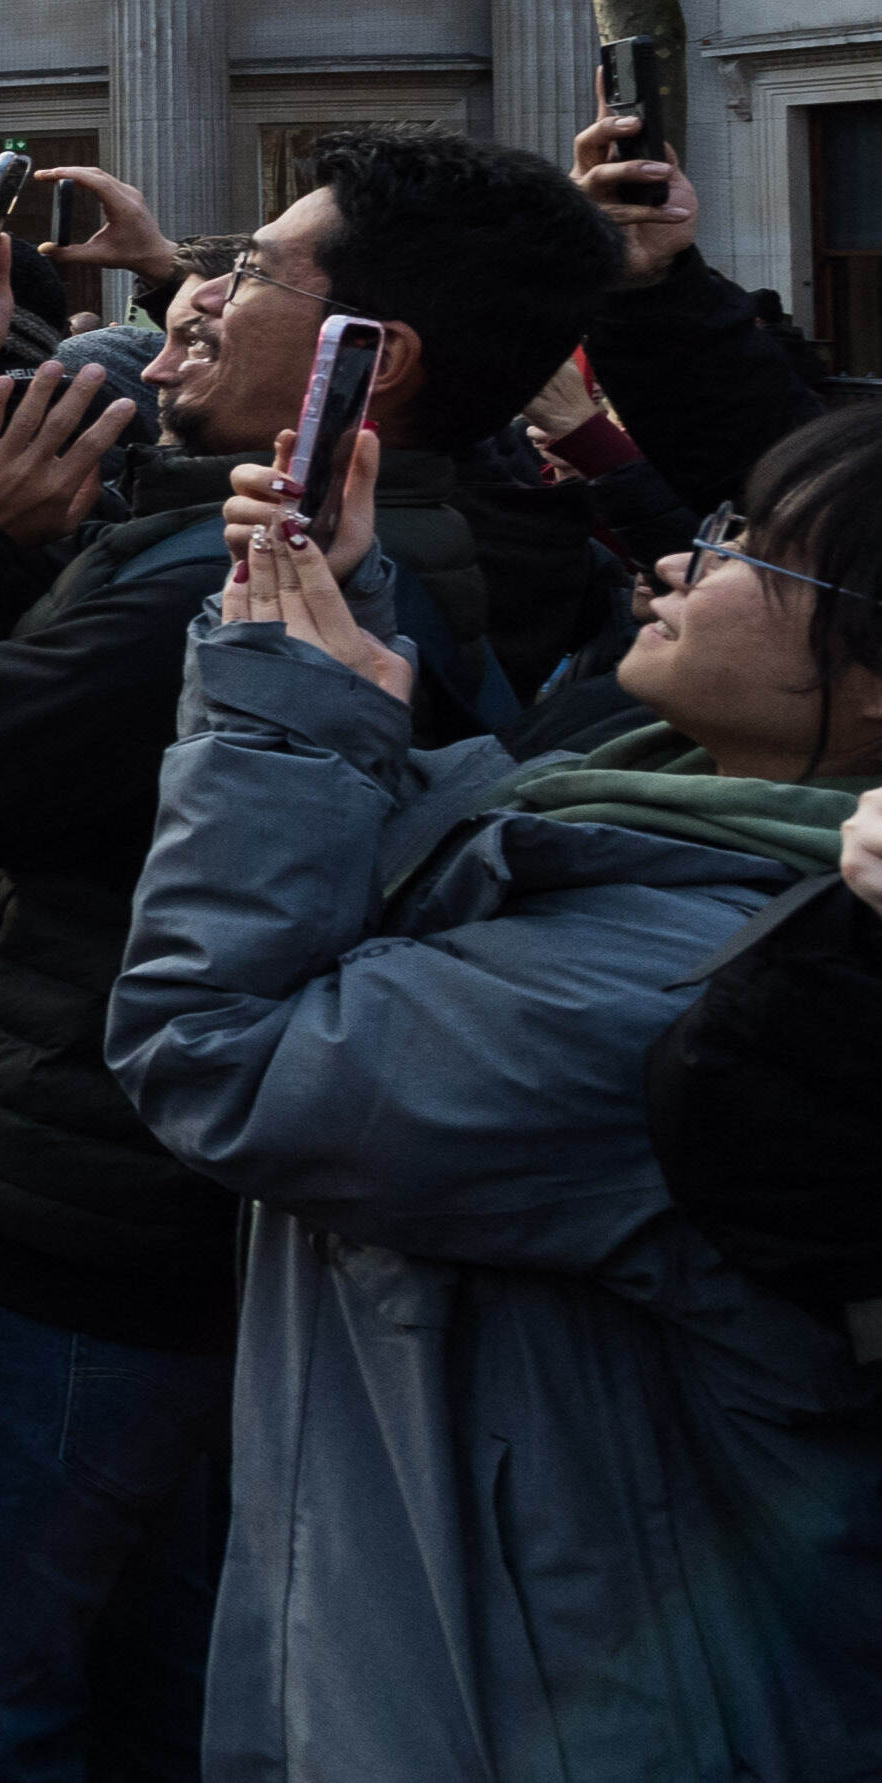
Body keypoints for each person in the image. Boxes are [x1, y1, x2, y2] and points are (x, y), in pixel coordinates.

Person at [0, 125, 630, 1783]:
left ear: (369, 359)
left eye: (250, 266)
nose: (195, 289)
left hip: (31, 1239)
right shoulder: (268, 533)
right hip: (94, 1212)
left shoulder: (236, 589)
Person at [111, 400, 882, 1778]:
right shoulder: (664, 801)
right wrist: (339, 630)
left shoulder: (702, 981)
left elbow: (217, 1057)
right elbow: (458, 869)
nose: (680, 562)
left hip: (546, 1699)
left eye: (757, 551)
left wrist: (276, 707)